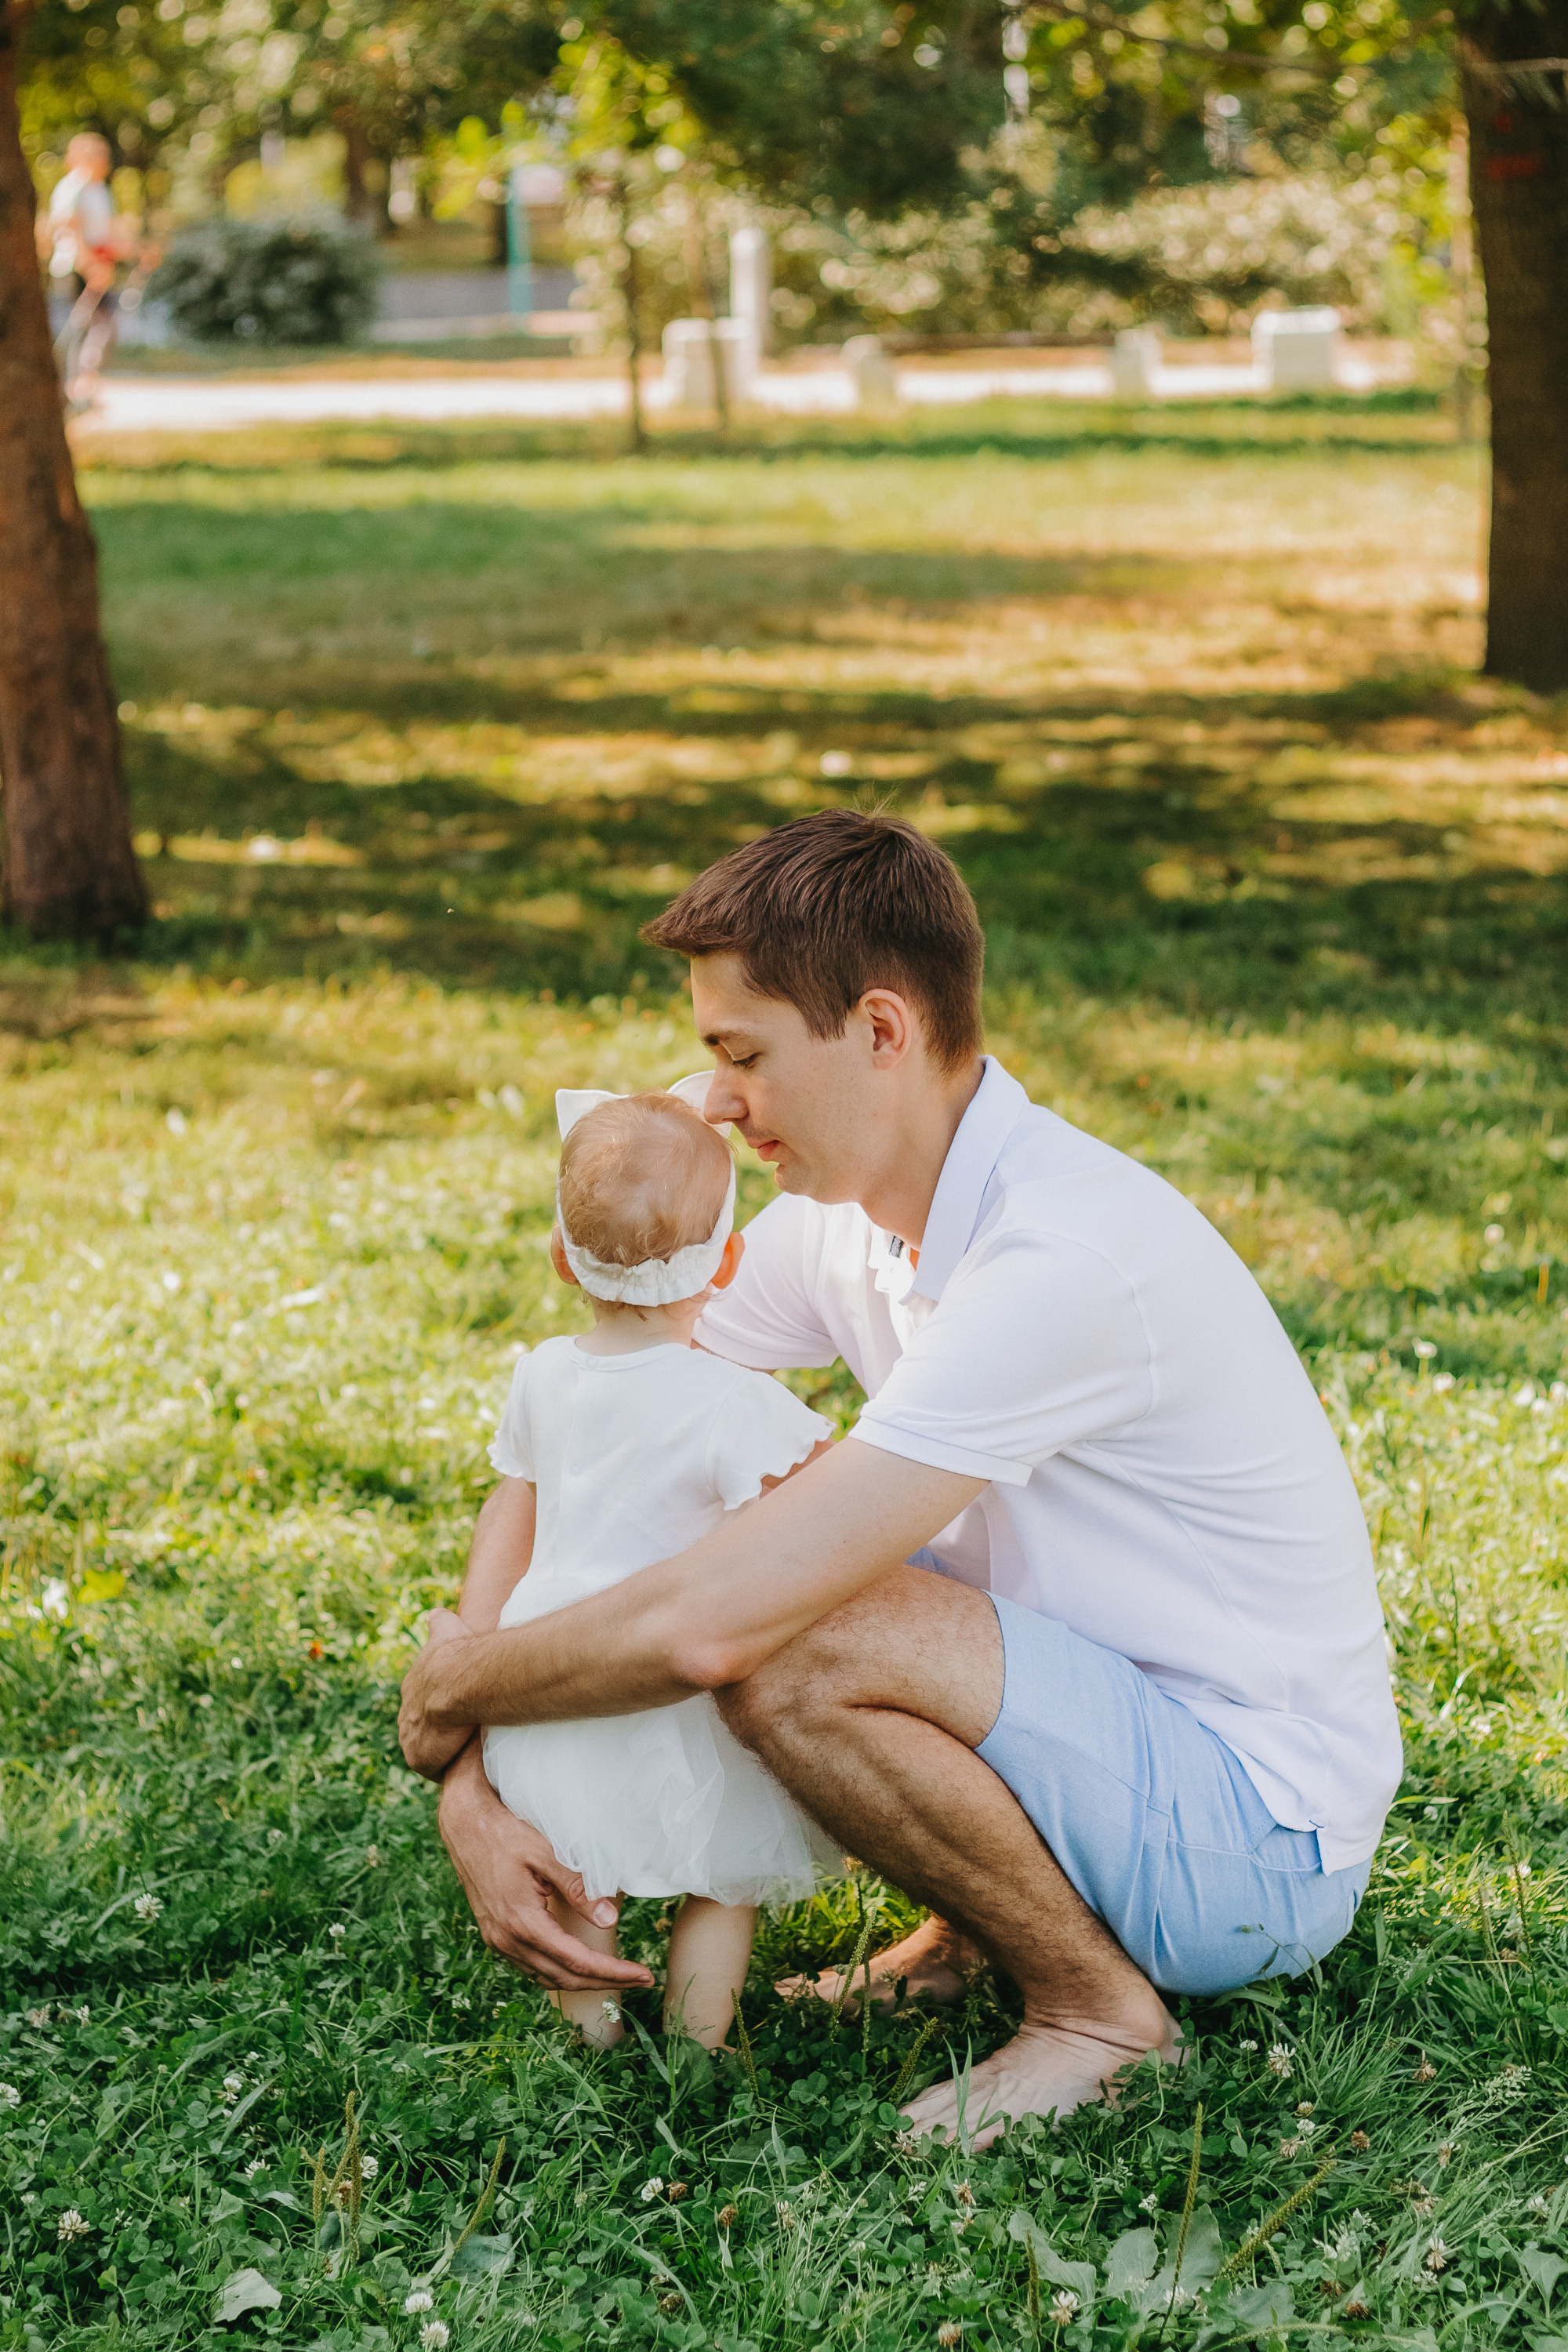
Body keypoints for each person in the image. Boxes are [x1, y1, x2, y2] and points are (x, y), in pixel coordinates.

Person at [401, 810, 1402, 2145]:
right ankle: (970, 1935)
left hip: (1253, 1846)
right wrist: (470, 1784)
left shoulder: (1060, 1256)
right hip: (1095, 1759)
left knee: (788, 1623)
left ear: (881, 1030)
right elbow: (607, 1422)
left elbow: (712, 1625)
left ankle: (1101, 2014)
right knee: (750, 1547)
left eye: (742, 1055)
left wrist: (453, 1692)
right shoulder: (845, 1225)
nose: (715, 1102)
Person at [466, 1080, 838, 2053]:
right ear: (730, 1263)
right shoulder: (731, 1401)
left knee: (583, 1872)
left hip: (550, 1670)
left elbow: (521, 1493)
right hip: (672, 1681)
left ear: (561, 1257)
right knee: (719, 1877)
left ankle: (589, 2037)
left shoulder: (540, 1372)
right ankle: (696, 2049)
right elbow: (822, 1505)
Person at [38, 132, 138, 411]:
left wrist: (134, 250)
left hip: (98, 265)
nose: (104, 160)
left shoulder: (99, 189)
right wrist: (91, 266)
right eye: (97, 154)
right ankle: (70, 392)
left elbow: (102, 234)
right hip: (75, 268)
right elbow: (69, 229)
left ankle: (84, 389)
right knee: (78, 329)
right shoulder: (74, 186)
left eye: (104, 154)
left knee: (103, 328)